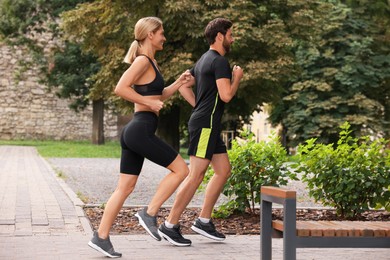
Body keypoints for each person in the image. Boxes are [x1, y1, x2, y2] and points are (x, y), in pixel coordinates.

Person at [88, 17, 192, 258]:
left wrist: (178, 82)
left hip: (136, 130)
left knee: (125, 187)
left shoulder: (151, 62)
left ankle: (101, 237)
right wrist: (148, 102)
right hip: (139, 131)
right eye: (161, 33)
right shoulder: (143, 60)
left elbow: (159, 95)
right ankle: (150, 213)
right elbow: (120, 88)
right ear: (150, 35)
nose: (164, 37)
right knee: (181, 170)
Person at [157, 18, 244, 246]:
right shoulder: (220, 61)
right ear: (219, 36)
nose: (232, 39)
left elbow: (185, 85)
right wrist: (236, 79)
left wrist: (198, 105)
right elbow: (226, 96)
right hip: (206, 124)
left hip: (207, 123)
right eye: (230, 34)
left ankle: (204, 220)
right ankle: (170, 224)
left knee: (223, 170)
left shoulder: (203, 59)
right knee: (195, 175)